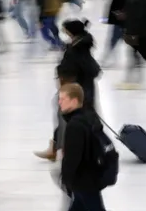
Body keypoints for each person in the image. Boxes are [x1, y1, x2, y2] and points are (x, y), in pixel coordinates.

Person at [36, 83, 135, 211]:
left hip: (84, 181)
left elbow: (73, 159)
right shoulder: (89, 117)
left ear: (74, 101)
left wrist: (66, 180)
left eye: (63, 99)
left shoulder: (75, 125)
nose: (59, 102)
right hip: (90, 178)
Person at [34, 19, 101, 161]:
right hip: (83, 88)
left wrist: (64, 84)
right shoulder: (81, 44)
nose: (64, 32)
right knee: (79, 117)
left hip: (75, 90)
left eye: (66, 30)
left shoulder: (75, 50)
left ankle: (63, 149)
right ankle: (60, 147)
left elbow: (69, 69)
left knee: (67, 117)